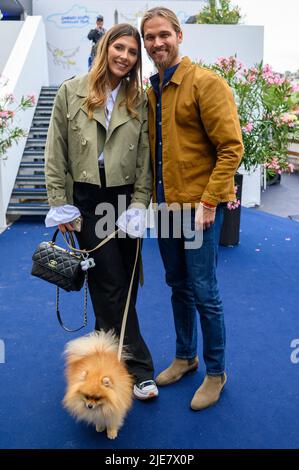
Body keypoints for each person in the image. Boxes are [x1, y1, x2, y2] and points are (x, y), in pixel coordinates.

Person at [44, 23, 158, 400]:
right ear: (105, 47)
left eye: (132, 52)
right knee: (110, 285)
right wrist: (61, 205)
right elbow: (55, 153)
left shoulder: (139, 99)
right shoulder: (70, 92)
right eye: (119, 48)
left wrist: (140, 204)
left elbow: (144, 160)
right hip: (88, 203)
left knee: (123, 284)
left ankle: (104, 364)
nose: (124, 56)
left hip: (125, 200)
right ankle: (139, 368)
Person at [141, 7, 244, 410]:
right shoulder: (152, 90)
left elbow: (231, 147)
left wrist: (208, 202)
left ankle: (216, 373)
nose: (156, 43)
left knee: (205, 292)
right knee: (177, 287)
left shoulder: (206, 83)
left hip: (197, 210)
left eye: (163, 34)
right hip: (166, 209)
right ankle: (186, 356)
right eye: (150, 38)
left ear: (179, 35)